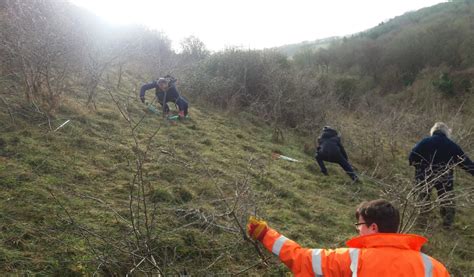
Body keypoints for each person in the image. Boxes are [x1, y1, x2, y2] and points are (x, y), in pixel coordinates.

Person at [247, 199, 450, 276]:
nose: (357, 230)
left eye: (359, 225)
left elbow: (302, 259)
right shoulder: (433, 267)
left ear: (373, 227)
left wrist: (265, 234)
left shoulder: (353, 259)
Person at [409, 122, 474, 227]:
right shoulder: (452, 145)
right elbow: (466, 163)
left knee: (422, 198)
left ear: (433, 131)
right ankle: (447, 224)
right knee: (447, 200)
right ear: (446, 133)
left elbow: (412, 157)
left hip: (424, 175)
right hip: (444, 177)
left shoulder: (424, 142)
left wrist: (418, 167)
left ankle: (421, 222)